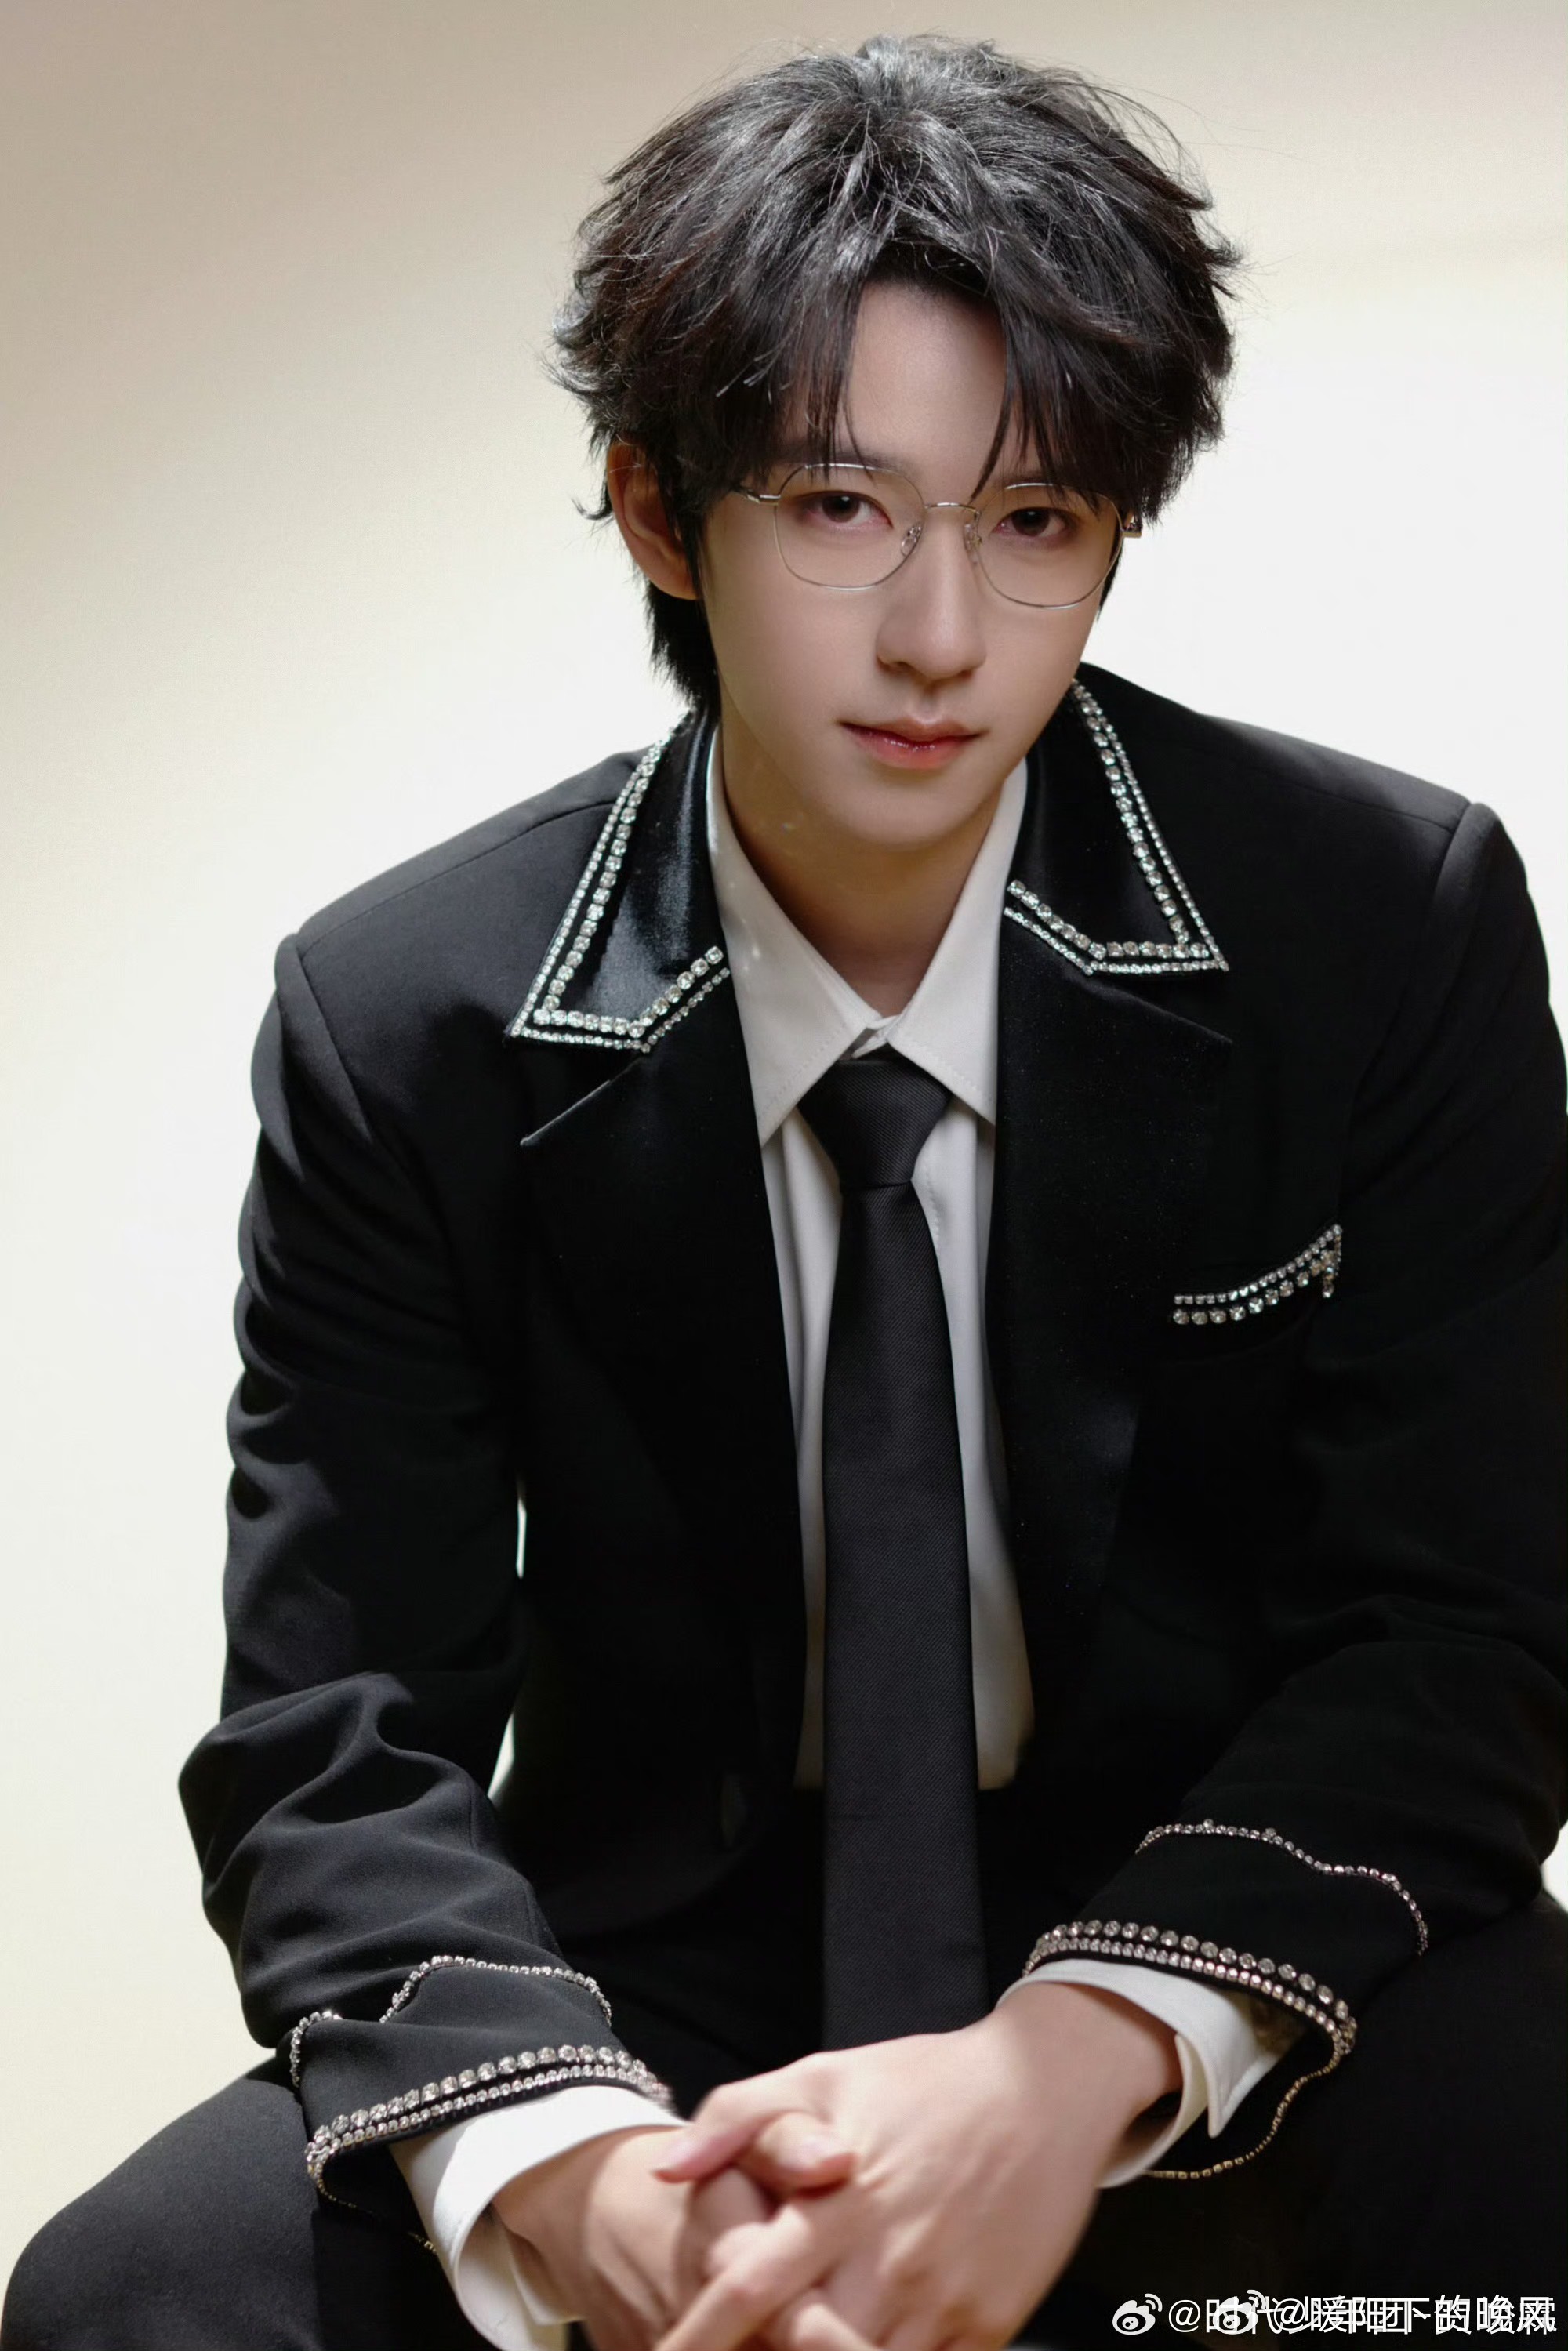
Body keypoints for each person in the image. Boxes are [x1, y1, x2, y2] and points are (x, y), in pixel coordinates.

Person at [5, 32, 1564, 2351]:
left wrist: (1070, 2059)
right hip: (657, 1970)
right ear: (659, 512)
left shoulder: (1375, 922)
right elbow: (336, 1728)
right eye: (843, 508)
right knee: (131, 2298)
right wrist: (587, 2184)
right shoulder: (404, 1013)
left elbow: (1463, 1634)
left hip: (1211, 1926)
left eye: (1038, 523)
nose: (943, 636)